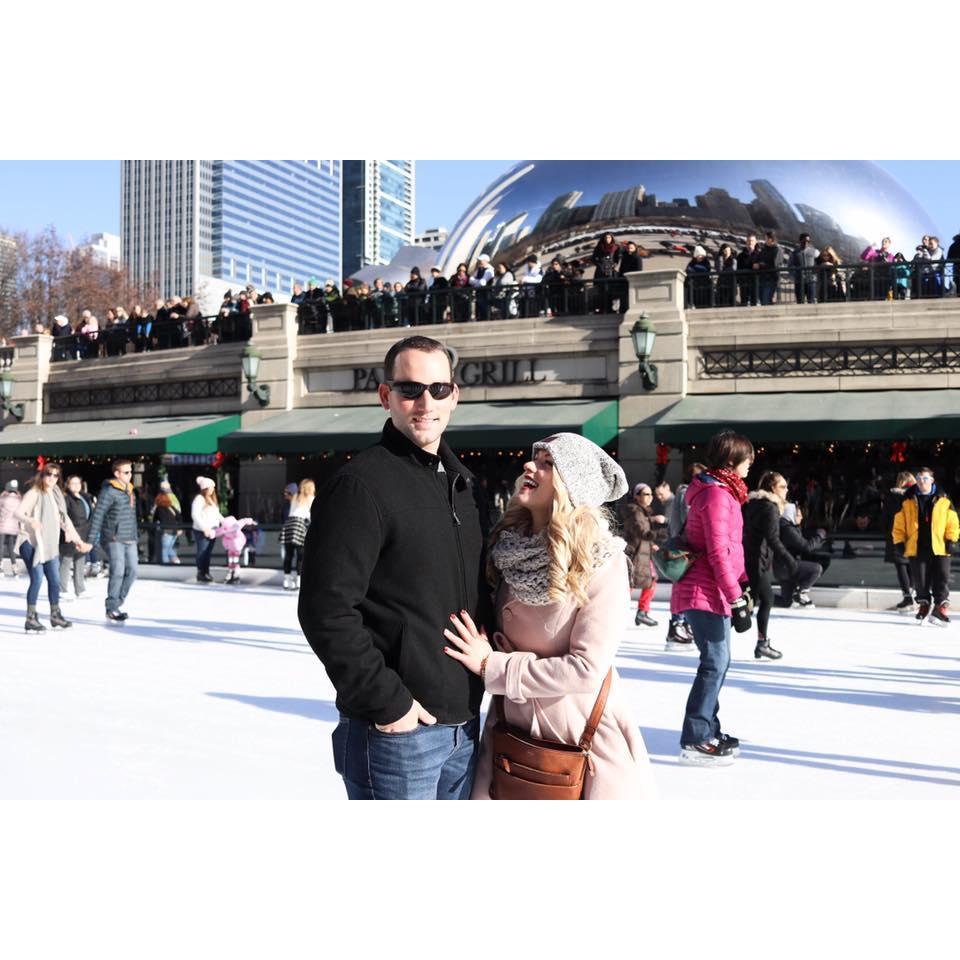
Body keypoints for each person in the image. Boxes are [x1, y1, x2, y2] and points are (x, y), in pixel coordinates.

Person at [298, 335, 490, 800]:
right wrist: (388, 702)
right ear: (387, 397)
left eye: (438, 389)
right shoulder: (359, 485)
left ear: (454, 396)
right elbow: (326, 610)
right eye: (410, 389)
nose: (426, 402)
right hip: (397, 733)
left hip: (463, 725)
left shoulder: (465, 485)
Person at [443, 432, 655, 800]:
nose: (529, 465)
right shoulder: (508, 548)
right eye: (533, 458)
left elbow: (586, 668)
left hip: (572, 742)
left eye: (547, 463)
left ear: (574, 486)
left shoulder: (601, 563)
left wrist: (492, 666)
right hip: (510, 737)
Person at [672, 431, 754, 765]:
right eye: (748, 459)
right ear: (732, 462)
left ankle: (708, 727)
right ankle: (696, 737)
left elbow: (732, 548)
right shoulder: (718, 496)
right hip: (703, 590)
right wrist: (736, 598)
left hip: (713, 590)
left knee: (719, 662)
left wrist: (743, 582)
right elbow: (719, 552)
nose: (751, 466)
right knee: (714, 663)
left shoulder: (725, 494)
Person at [15, 463, 92, 631]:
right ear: (42, 475)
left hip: (49, 544)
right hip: (30, 541)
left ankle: (55, 615)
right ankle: (31, 618)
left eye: (56, 475)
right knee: (37, 578)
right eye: (49, 474)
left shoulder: (57, 496)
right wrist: (31, 521)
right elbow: (18, 513)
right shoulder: (34, 492)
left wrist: (79, 541)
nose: (52, 478)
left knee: (55, 580)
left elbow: (66, 521)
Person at [892, 467, 959, 625]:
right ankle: (924, 604)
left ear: (932, 480)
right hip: (917, 547)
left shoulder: (944, 500)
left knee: (942, 577)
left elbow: (953, 522)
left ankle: (940, 608)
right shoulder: (907, 500)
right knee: (920, 580)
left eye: (925, 478)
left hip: (940, 546)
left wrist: (952, 540)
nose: (922, 481)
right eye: (919, 478)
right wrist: (899, 542)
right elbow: (899, 523)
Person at [742, 471, 798, 659]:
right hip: (758, 560)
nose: (786, 490)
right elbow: (773, 538)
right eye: (782, 486)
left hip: (748, 558)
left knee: (751, 600)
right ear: (772, 488)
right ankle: (762, 643)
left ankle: (761, 642)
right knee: (763, 600)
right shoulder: (771, 507)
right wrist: (789, 559)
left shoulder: (752, 504)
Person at [87, 459, 139, 622]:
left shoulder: (130, 490)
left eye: (131, 472)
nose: (129, 475)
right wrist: (90, 540)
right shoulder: (108, 492)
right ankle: (112, 607)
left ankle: (117, 602)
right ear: (116, 474)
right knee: (118, 571)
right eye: (126, 472)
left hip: (130, 537)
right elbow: (98, 515)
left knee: (133, 571)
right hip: (114, 537)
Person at [663, 462, 705, 650]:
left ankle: (684, 623)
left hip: (685, 546)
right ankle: (676, 624)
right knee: (682, 585)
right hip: (684, 547)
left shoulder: (687, 492)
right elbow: (687, 519)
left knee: (686, 586)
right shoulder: (686, 492)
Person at [622, 482, 667, 627]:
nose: (650, 497)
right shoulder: (635, 512)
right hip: (636, 554)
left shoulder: (642, 512)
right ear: (636, 497)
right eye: (646, 494)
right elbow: (641, 533)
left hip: (642, 553)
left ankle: (643, 611)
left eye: (651, 494)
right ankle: (629, 610)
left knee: (649, 580)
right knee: (630, 583)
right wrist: (665, 532)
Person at [774, 503, 828, 608]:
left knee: (787, 602)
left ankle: (759, 596)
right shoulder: (787, 529)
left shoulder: (787, 527)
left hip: (782, 568)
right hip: (787, 567)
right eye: (798, 515)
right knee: (816, 568)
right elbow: (806, 546)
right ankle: (801, 593)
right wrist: (819, 536)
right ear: (791, 514)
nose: (801, 517)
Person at [882, 472, 916, 611]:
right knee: (911, 565)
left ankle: (908, 597)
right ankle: (912, 594)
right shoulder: (915, 496)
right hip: (912, 535)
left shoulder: (892, 497)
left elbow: (886, 517)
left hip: (896, 535)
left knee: (901, 566)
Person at [60, 474, 93, 600]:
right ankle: (62, 589)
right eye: (73, 483)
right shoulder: (66, 498)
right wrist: (67, 531)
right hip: (70, 533)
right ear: (68, 485)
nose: (76, 486)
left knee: (80, 561)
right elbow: (64, 517)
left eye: (78, 483)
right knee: (66, 561)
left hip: (84, 532)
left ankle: (80, 589)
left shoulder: (85, 497)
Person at [280, 478, 315, 590]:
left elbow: (291, 512)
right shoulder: (311, 498)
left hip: (290, 524)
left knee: (288, 555)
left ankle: (286, 580)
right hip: (300, 524)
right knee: (301, 556)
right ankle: (299, 582)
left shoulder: (295, 497)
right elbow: (310, 515)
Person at [192, 476, 222, 584]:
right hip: (202, 531)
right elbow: (195, 515)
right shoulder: (199, 499)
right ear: (206, 488)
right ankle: (201, 572)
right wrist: (204, 528)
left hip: (213, 530)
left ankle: (206, 572)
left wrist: (226, 522)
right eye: (211, 487)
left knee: (207, 552)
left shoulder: (211, 500)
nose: (213, 489)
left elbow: (217, 514)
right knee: (202, 551)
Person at [214, 515, 256, 584]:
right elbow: (217, 532)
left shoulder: (236, 526)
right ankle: (231, 571)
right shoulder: (225, 529)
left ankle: (236, 572)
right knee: (231, 559)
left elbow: (244, 520)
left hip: (237, 545)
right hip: (230, 546)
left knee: (235, 559)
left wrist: (251, 521)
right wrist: (211, 533)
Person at [153, 480, 182, 564]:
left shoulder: (159, 508)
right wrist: (180, 528)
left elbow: (154, 518)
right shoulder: (172, 505)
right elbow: (179, 515)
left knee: (164, 549)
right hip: (175, 529)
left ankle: (165, 564)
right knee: (169, 547)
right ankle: (175, 560)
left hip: (166, 530)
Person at [789, 233, 819, 304]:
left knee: (811, 302)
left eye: (808, 241)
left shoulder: (815, 251)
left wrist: (815, 272)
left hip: (811, 281)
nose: (806, 243)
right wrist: (795, 274)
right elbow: (790, 266)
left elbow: (819, 263)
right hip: (799, 282)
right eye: (804, 241)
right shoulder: (794, 253)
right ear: (800, 241)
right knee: (800, 302)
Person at [0, 478, 22, 576]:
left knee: (0, 546)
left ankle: (0, 567)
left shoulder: (3, 498)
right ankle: (14, 567)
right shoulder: (19, 499)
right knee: (11, 546)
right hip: (13, 527)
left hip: (2, 525)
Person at [737, 233, 761, 306]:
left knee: (755, 303)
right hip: (744, 283)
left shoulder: (760, 254)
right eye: (748, 241)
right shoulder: (740, 256)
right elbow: (738, 269)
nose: (750, 242)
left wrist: (759, 265)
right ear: (746, 242)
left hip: (756, 283)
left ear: (755, 242)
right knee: (744, 303)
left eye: (752, 241)